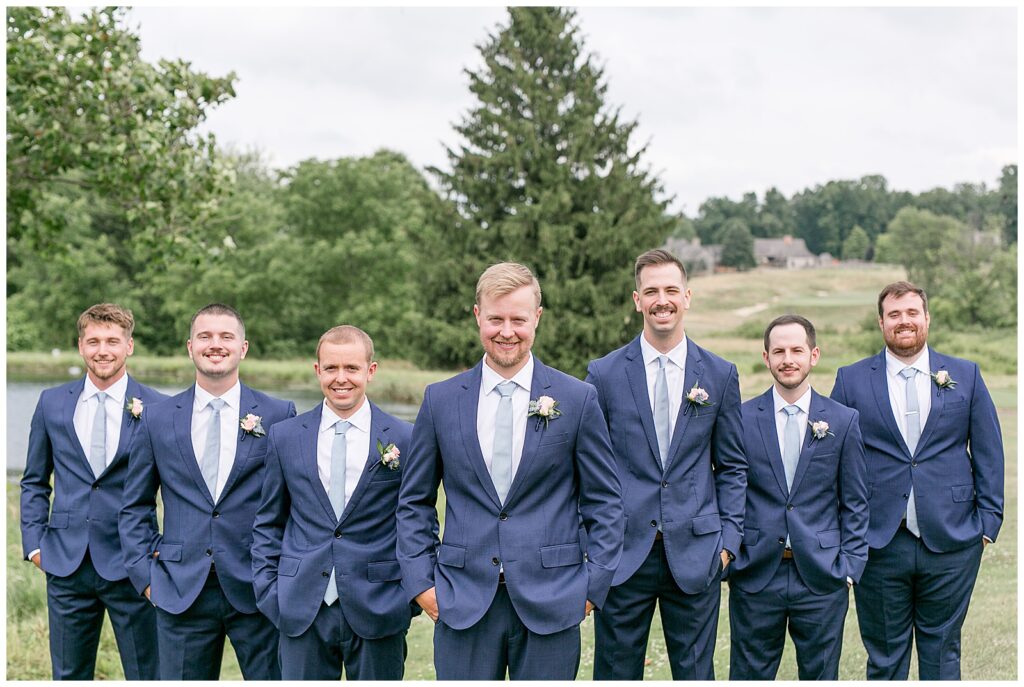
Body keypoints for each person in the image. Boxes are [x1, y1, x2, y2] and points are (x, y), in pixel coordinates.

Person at [397, 262, 623, 680]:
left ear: (536, 318)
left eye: (518, 319)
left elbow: (606, 503)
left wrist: (591, 590)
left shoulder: (577, 399)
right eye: (495, 318)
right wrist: (422, 585)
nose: (506, 331)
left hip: (553, 599)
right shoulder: (440, 400)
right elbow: (414, 502)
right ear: (477, 315)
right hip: (461, 598)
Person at [586, 248, 746, 680]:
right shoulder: (602, 374)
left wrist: (727, 542)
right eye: (651, 291)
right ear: (637, 299)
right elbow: (587, 468)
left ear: (688, 296)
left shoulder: (719, 374)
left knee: (696, 674)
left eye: (671, 290)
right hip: (622, 552)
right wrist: (593, 541)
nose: (663, 299)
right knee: (615, 673)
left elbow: (732, 465)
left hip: (698, 552)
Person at [830, 281, 1004, 680]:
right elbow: (834, 461)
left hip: (953, 540)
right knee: (885, 658)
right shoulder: (851, 379)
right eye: (894, 314)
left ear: (926, 318)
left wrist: (987, 525)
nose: (903, 321)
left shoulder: (966, 374)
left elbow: (990, 452)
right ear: (881, 322)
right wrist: (846, 533)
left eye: (911, 313)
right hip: (878, 542)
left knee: (943, 653)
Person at [118, 303, 296, 680]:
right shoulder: (157, 417)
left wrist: (281, 576)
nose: (215, 344)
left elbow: (293, 503)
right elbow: (134, 504)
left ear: (243, 348)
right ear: (190, 347)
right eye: (205, 336)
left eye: (226, 336)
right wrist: (146, 577)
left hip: (258, 586)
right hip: (178, 588)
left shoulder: (279, 415)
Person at [251, 325, 415, 679]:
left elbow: (416, 521)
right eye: (331, 368)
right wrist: (270, 592)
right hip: (301, 604)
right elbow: (269, 521)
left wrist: (407, 597)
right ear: (317, 370)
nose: (341, 378)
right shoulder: (285, 436)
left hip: (380, 604)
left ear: (370, 371)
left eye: (352, 368)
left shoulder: (404, 437)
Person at [20, 303, 165, 680]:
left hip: (133, 564)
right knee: (68, 675)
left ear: (129, 346)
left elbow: (179, 489)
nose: (104, 350)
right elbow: (35, 480)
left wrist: (159, 552)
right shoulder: (52, 403)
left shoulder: (159, 409)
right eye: (94, 341)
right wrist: (35, 545)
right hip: (65, 563)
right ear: (81, 346)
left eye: (113, 341)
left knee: (148, 674)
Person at [728, 314, 868, 679]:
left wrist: (849, 566)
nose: (787, 358)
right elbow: (729, 490)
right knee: (748, 675)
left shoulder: (842, 420)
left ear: (814, 355)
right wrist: (732, 557)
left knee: (821, 675)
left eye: (796, 350)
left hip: (822, 576)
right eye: (779, 351)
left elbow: (854, 500)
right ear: (766, 357)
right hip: (756, 573)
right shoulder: (741, 419)